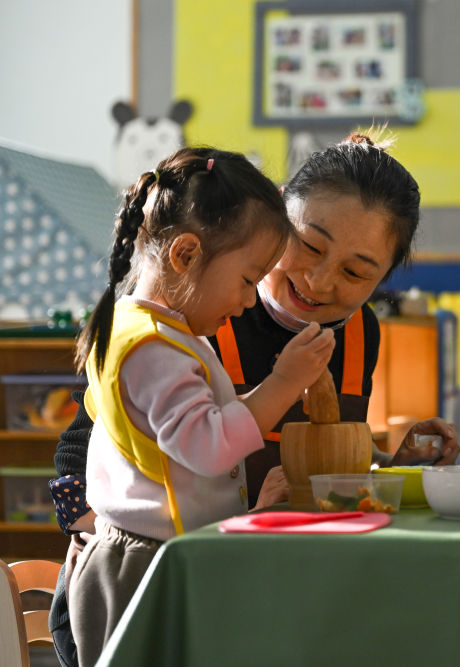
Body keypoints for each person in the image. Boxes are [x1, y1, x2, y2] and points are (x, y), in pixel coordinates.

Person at [48, 131, 460, 666]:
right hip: (159, 584)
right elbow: (83, 461)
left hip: (267, 579)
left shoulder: (360, 334)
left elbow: (316, 463)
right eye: (309, 246)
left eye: (356, 272)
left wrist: (387, 465)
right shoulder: (190, 314)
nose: (319, 282)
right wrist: (131, 550)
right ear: (277, 214)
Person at [67, 146, 337, 666]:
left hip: (153, 553)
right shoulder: (154, 349)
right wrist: (284, 382)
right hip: (145, 567)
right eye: (247, 279)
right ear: (186, 255)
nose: (249, 300)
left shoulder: (152, 331)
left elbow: (187, 439)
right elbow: (208, 447)